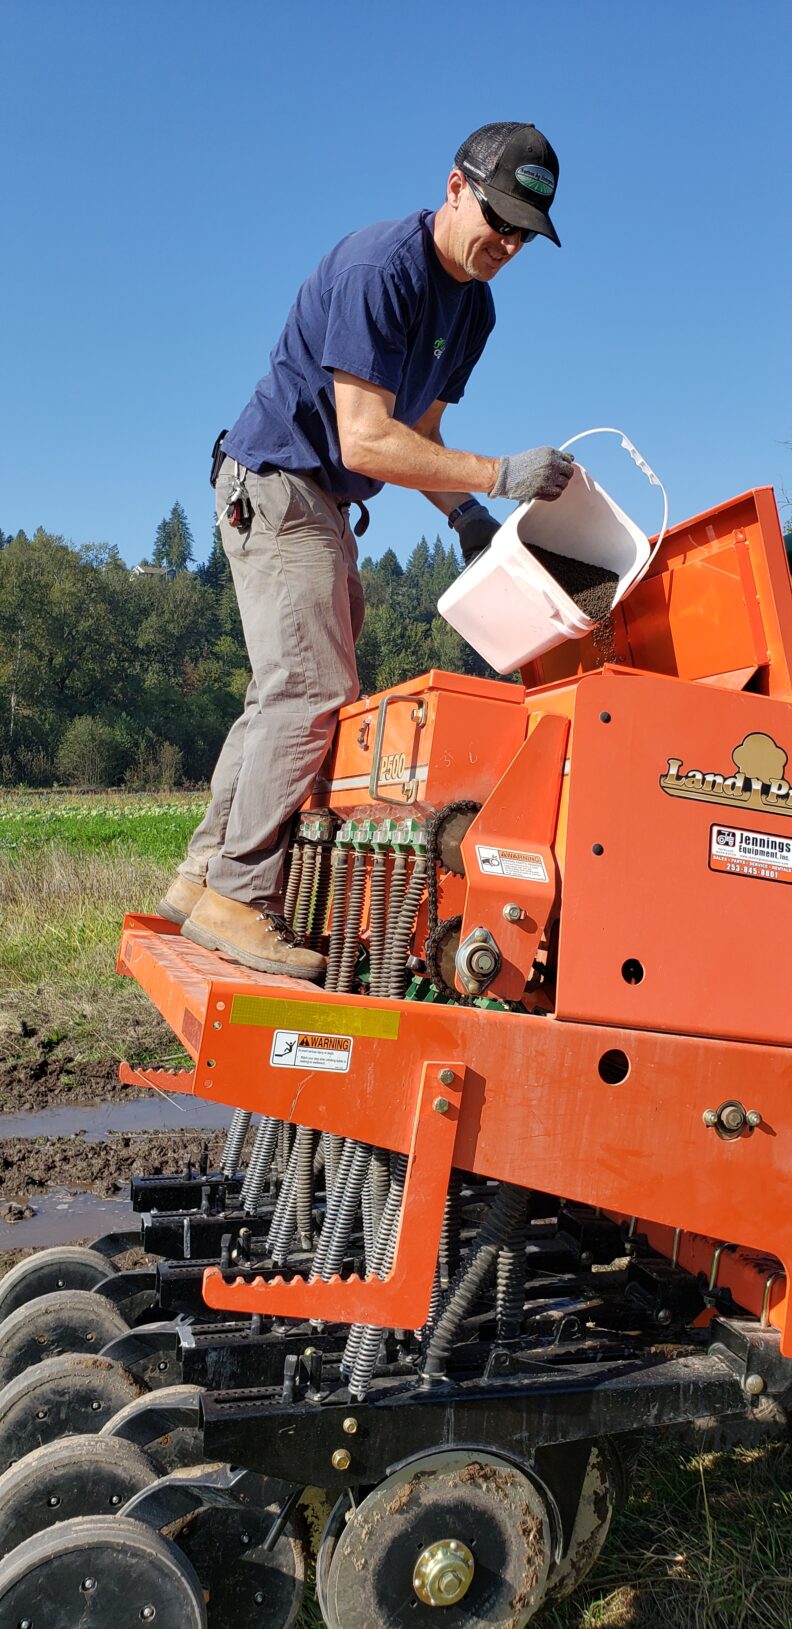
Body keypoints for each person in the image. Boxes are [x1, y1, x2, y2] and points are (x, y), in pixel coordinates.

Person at [160, 120, 573, 979]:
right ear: (455, 186)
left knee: (290, 688)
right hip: (279, 481)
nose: (505, 243)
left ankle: (200, 878)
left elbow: (421, 429)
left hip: (321, 499)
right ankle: (238, 895)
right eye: (497, 218)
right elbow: (364, 438)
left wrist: (464, 516)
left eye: (523, 235)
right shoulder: (380, 267)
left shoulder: (475, 310)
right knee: (310, 687)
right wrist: (499, 474)